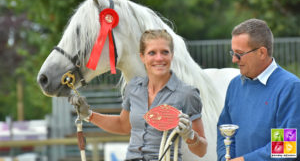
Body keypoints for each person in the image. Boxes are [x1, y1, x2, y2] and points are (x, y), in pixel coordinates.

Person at [69, 29, 207, 161]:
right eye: (152, 53)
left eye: (164, 52)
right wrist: (89, 115)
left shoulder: (187, 94)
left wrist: (190, 136)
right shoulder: (134, 87)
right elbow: (123, 125)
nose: (159, 58)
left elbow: (201, 151)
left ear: (172, 55)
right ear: (142, 56)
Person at [217, 19, 300, 161]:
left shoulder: (290, 87)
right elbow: (224, 131)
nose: (234, 60)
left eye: (239, 54)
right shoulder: (235, 85)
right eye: (232, 53)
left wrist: (244, 160)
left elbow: (287, 146)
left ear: (262, 52)